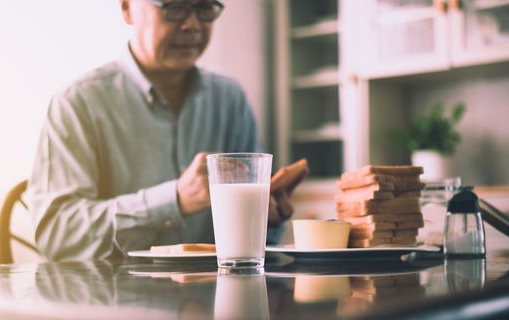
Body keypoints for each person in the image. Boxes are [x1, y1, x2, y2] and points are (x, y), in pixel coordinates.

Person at [28, 0, 307, 261]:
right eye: (174, 7)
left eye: (204, 8)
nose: (192, 24)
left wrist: (263, 217)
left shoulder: (230, 100)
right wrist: (174, 200)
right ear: (127, 9)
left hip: (214, 305)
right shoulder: (79, 103)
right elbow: (56, 233)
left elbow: (254, 245)